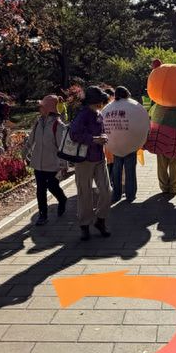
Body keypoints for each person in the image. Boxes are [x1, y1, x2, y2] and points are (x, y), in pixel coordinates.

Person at [68, 86, 112, 240]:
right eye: (101, 100)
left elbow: (100, 131)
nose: (103, 102)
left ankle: (100, 220)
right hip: (84, 159)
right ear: (94, 101)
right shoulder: (83, 115)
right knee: (85, 193)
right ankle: (85, 225)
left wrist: (103, 136)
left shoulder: (98, 113)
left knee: (107, 191)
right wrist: (94, 140)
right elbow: (74, 134)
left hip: (99, 158)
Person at [23, 95, 69, 225]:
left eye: (41, 106)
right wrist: (24, 153)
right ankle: (43, 215)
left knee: (53, 186)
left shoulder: (58, 125)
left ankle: (62, 199)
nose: (39, 109)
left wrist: (63, 165)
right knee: (40, 190)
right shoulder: (38, 122)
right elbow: (31, 139)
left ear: (48, 108)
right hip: (38, 163)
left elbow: (62, 147)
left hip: (53, 164)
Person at [109, 85, 141, 204]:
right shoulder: (133, 106)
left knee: (116, 170)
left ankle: (116, 194)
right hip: (130, 143)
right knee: (130, 170)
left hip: (116, 144)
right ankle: (130, 195)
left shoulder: (110, 107)